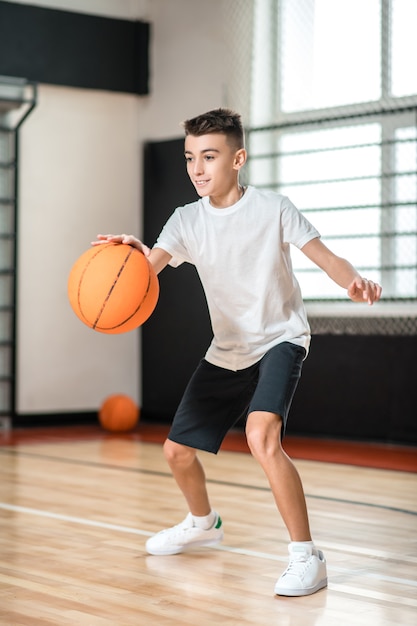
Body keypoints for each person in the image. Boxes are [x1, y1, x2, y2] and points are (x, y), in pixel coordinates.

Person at [92, 108, 381, 597]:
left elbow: (325, 256)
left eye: (210, 156)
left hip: (280, 338)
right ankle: (204, 522)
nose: (198, 168)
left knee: (261, 435)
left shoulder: (273, 208)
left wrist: (351, 280)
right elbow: (149, 268)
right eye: (189, 158)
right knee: (177, 452)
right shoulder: (186, 219)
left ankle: (306, 556)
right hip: (228, 348)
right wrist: (129, 255)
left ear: (238, 158)